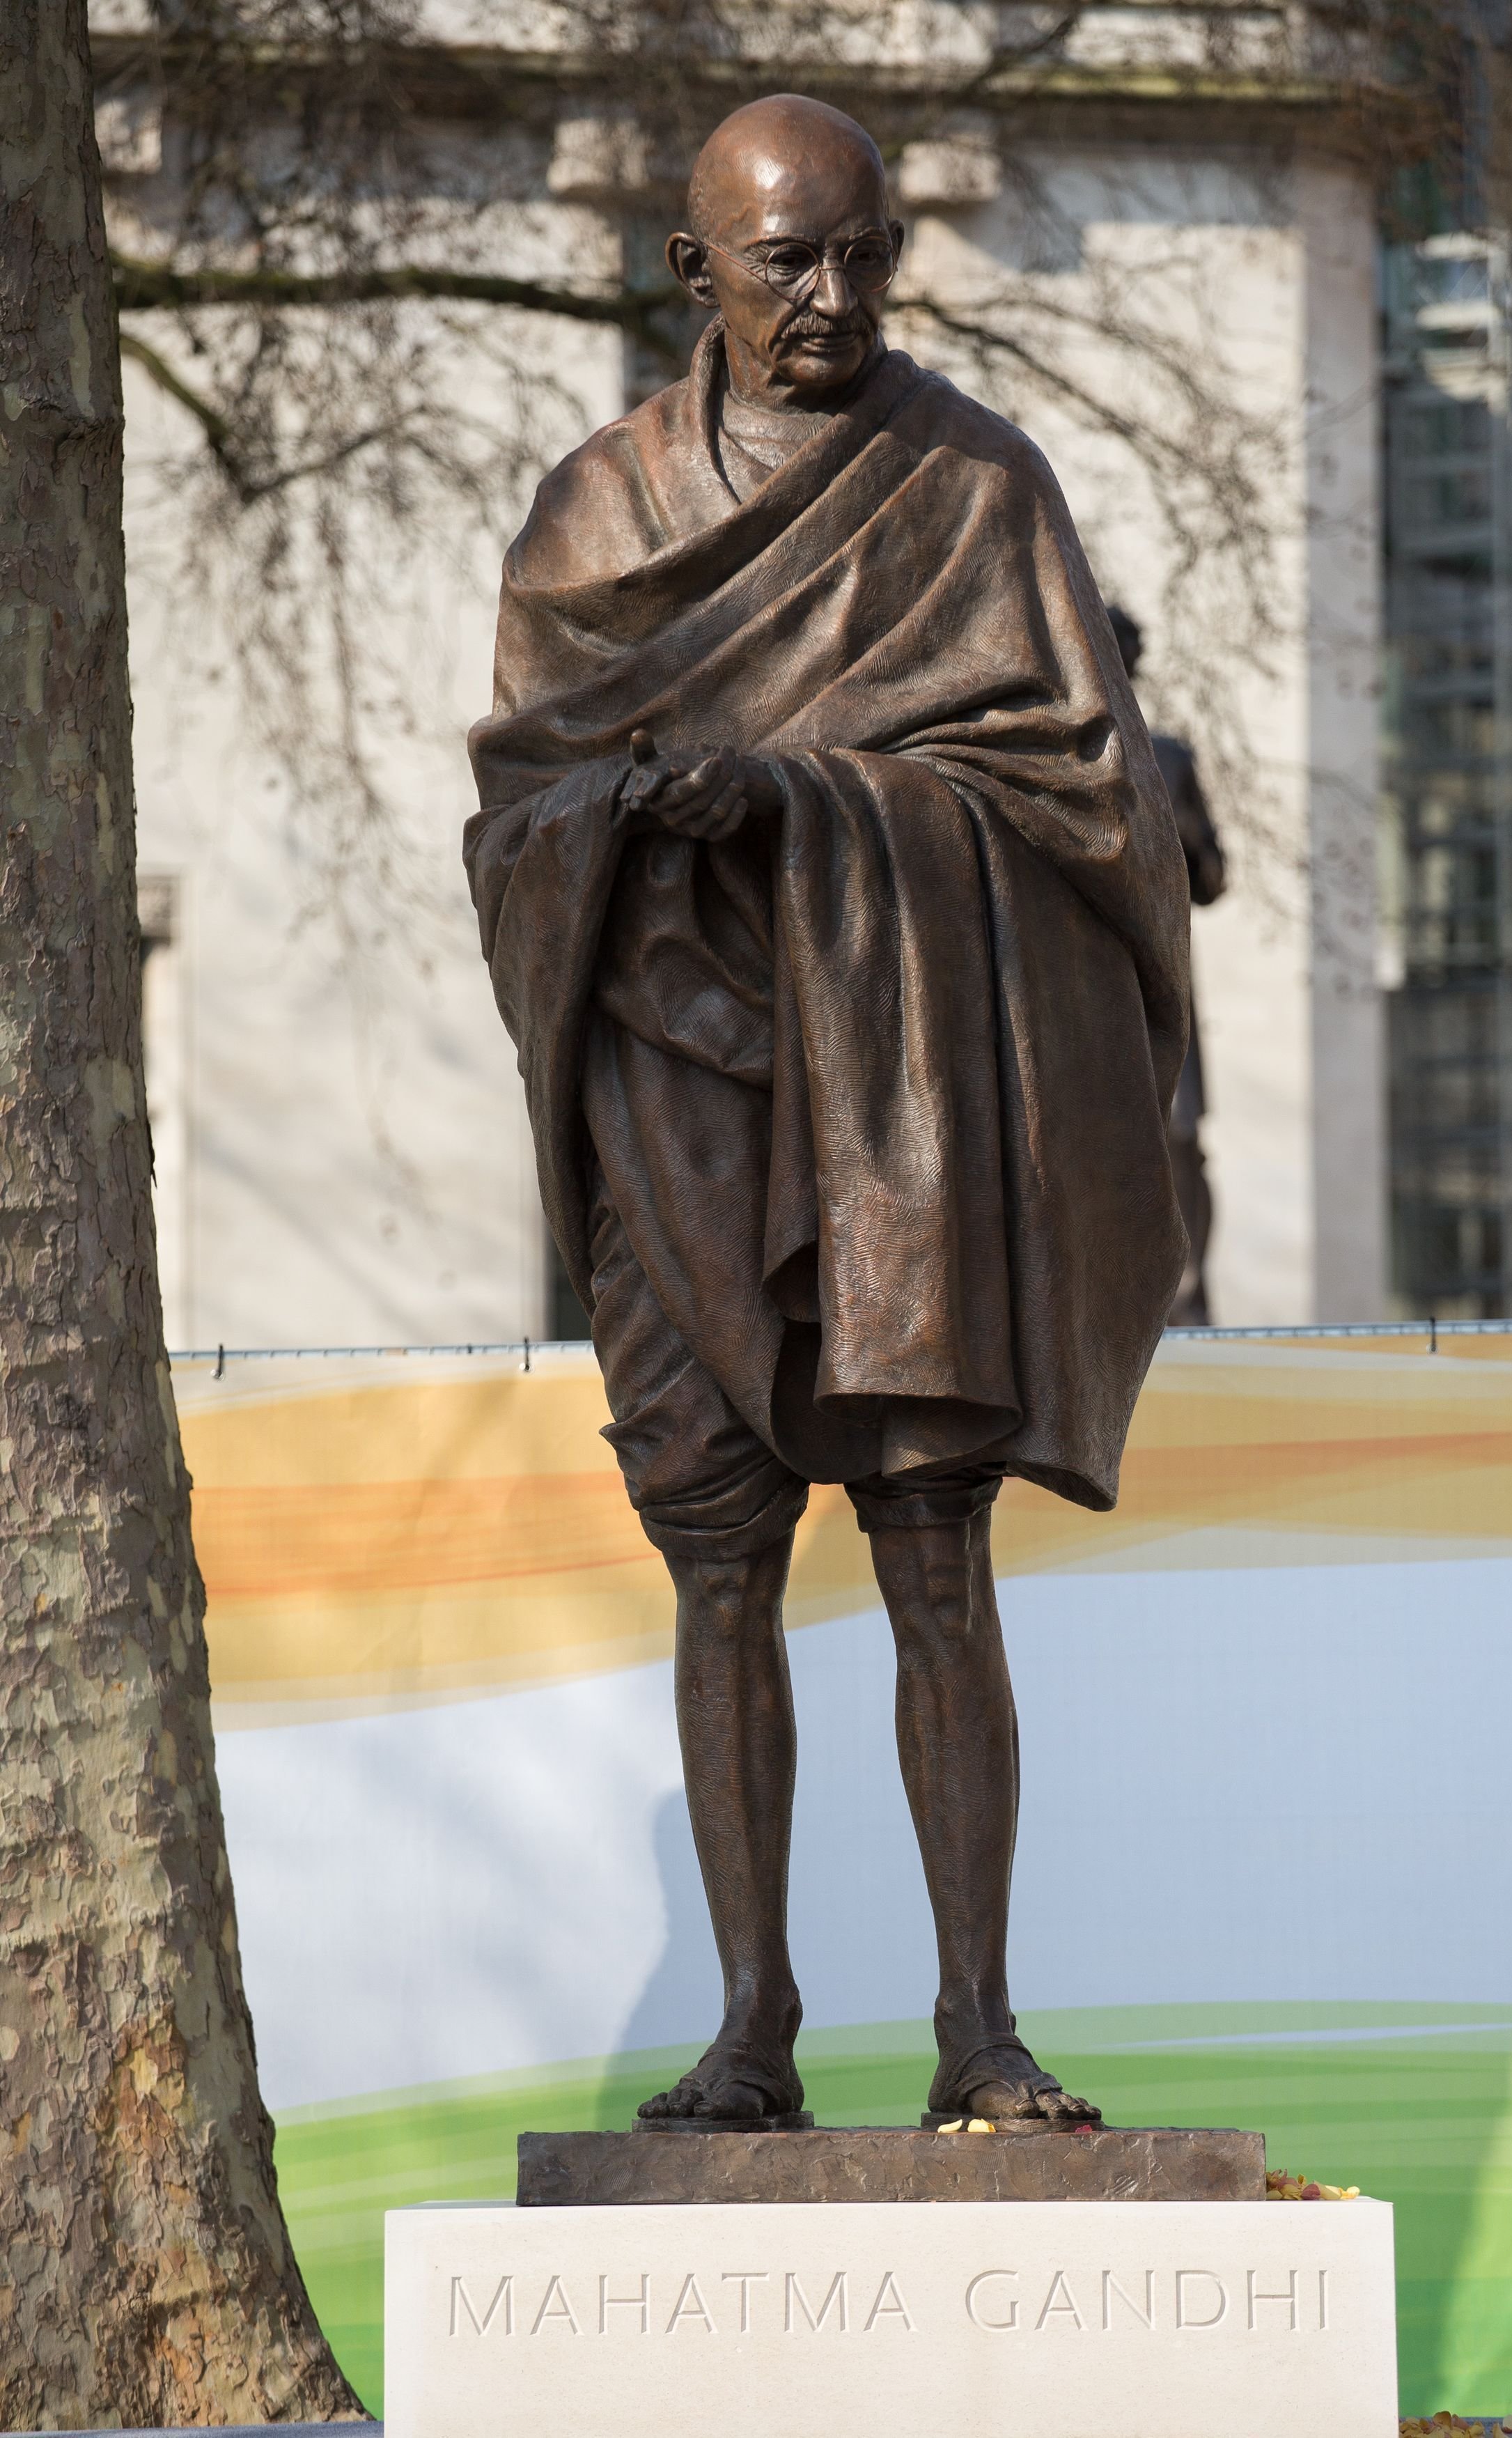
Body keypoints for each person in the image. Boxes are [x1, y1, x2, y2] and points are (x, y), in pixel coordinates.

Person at [467, 95, 1190, 2127]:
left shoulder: (974, 484)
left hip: (908, 1096)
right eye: (789, 258)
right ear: (690, 265)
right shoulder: (599, 510)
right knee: (717, 1561)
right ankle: (751, 2024)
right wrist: (637, 810)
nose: (836, 293)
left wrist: (806, 797)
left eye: (866, 250)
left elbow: (1091, 798)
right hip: (681, 1092)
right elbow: (517, 804)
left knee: (932, 1548)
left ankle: (982, 2029)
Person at [1107, 605, 1226, 1326]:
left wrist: (1180, 829)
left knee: (1179, 1137)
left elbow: (1213, 880)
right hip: (1086, 977)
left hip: (1161, 974)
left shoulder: (1170, 758)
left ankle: (1188, 1296)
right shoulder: (1046, 752)